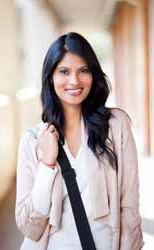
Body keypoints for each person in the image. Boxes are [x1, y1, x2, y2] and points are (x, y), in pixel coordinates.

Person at [15, 32, 144, 250]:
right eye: (64, 72)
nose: (74, 81)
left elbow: (129, 208)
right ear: (51, 78)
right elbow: (30, 227)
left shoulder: (116, 125)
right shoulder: (32, 141)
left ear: (93, 74)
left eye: (83, 70)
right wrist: (47, 165)